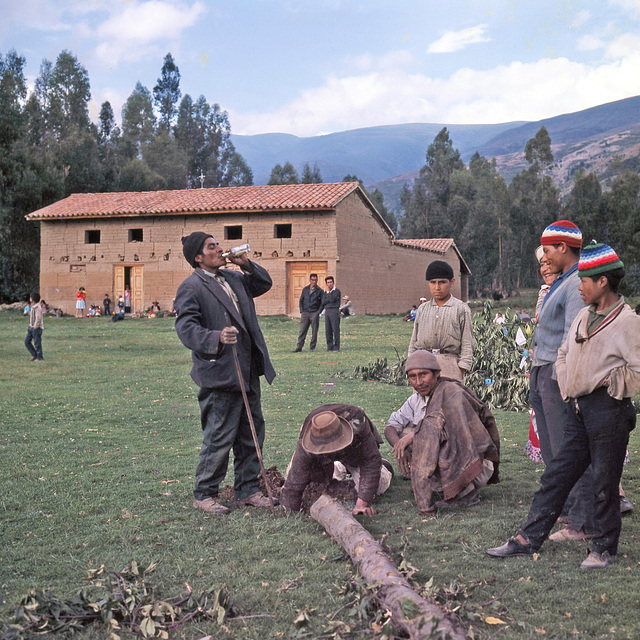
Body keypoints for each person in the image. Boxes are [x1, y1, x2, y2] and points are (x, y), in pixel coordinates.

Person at [487, 242, 639, 569]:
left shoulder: (628, 322)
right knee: (556, 476)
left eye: (585, 280)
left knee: (604, 481)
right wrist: (570, 385)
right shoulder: (584, 316)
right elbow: (562, 352)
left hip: (609, 411)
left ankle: (602, 548)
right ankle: (528, 539)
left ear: (603, 282)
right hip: (579, 410)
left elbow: (637, 370)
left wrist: (604, 383)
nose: (579, 286)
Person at [175, 231, 276, 515]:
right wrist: (216, 337)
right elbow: (186, 328)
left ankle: (247, 491)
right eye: (212, 246)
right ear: (198, 257)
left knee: (251, 431)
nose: (219, 249)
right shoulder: (192, 287)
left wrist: (246, 264)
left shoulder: (233, 277)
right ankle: (204, 493)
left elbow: (263, 283)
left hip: (247, 368)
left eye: (218, 244)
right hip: (219, 370)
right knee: (219, 434)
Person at [529, 220, 594, 542]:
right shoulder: (561, 281)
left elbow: (574, 335)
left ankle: (581, 523)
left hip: (557, 374)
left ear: (564, 248)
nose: (546, 257)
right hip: (542, 369)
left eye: (549, 250)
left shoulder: (575, 284)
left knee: (568, 450)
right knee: (554, 450)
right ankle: (567, 511)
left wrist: (563, 382)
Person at [385, 350, 500, 515]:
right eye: (413, 376)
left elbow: (444, 433)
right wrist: (399, 446)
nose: (418, 382)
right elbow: (391, 426)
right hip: (454, 459)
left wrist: (425, 507)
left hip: (475, 465)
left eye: (423, 374)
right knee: (405, 434)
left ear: (437, 374)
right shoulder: (416, 399)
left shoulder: (452, 393)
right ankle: (439, 486)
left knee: (425, 438)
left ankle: (465, 493)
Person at [281, 405, 393, 516]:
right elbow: (293, 483)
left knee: (378, 484)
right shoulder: (308, 440)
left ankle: (382, 466)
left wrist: (362, 503)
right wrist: (289, 509)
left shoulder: (357, 423)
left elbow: (370, 460)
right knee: (296, 476)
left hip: (355, 454)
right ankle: (340, 467)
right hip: (322, 459)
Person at [408, 260, 473, 381]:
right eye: (433, 282)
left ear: (452, 282)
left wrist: (462, 367)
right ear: (428, 283)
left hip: (450, 364)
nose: (437, 287)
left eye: (442, 282)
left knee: (450, 398)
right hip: (423, 363)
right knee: (424, 399)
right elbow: (414, 340)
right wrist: (411, 363)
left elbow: (467, 341)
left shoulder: (461, 309)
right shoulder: (422, 309)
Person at [294, 273, 323, 352]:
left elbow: (322, 303)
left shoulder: (320, 291)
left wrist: (318, 312)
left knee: (314, 331)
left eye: (315, 280)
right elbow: (301, 300)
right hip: (305, 313)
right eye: (312, 280)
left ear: (317, 280)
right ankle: (299, 347)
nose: (314, 282)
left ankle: (312, 347)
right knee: (302, 330)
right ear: (310, 280)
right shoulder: (305, 289)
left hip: (314, 312)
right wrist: (301, 310)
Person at [321, 276, 341, 351]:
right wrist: (328, 297)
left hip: (334, 310)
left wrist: (328, 294)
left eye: (330, 282)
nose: (329, 284)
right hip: (327, 311)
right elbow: (323, 302)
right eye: (328, 283)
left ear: (333, 282)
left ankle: (336, 346)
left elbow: (332, 299)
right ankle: (329, 346)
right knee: (328, 329)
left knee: (335, 329)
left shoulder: (336, 291)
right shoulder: (325, 292)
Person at [25, 292, 44, 362]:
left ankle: (40, 357)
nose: (29, 299)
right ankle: (34, 354)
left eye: (30, 297)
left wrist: (35, 327)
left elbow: (38, 318)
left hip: (36, 328)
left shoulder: (38, 308)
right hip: (31, 327)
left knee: (37, 343)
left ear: (32, 299)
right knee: (27, 342)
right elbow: (33, 315)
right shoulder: (33, 307)